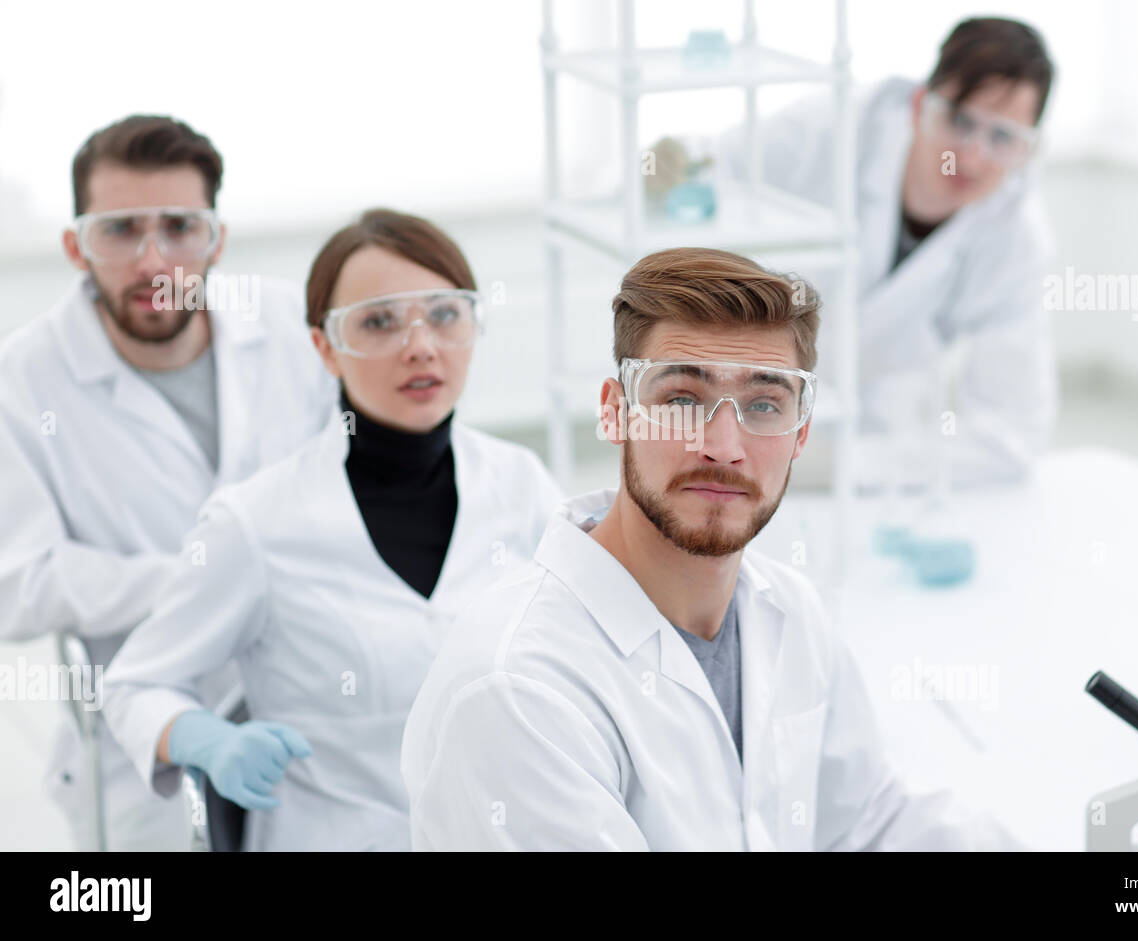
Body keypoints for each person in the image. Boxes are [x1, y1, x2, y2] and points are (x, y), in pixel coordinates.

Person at [400, 247, 1022, 850]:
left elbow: (863, 826)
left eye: (762, 404)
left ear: (800, 433)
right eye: (681, 400)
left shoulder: (790, 610)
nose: (724, 445)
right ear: (616, 413)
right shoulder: (519, 692)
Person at [102, 209, 564, 851]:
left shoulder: (523, 485)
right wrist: (205, 740)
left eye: (444, 313)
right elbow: (134, 686)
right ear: (323, 347)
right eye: (378, 321)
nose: (420, 344)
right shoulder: (257, 522)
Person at [0, 115, 334, 851]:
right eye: (119, 230)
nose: (154, 259)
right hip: (141, 737)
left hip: (312, 688)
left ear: (215, 238)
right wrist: (201, 584)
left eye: (180, 226)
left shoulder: (289, 327)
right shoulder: (21, 382)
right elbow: (17, 583)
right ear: (75, 246)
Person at [717, 17, 1057, 488]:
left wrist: (849, 466)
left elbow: (1010, 436)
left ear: (1027, 151)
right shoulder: (836, 128)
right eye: (959, 120)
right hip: (741, 410)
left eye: (1003, 139)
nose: (972, 157)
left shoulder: (1015, 236)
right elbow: (705, 169)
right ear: (919, 106)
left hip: (877, 444)